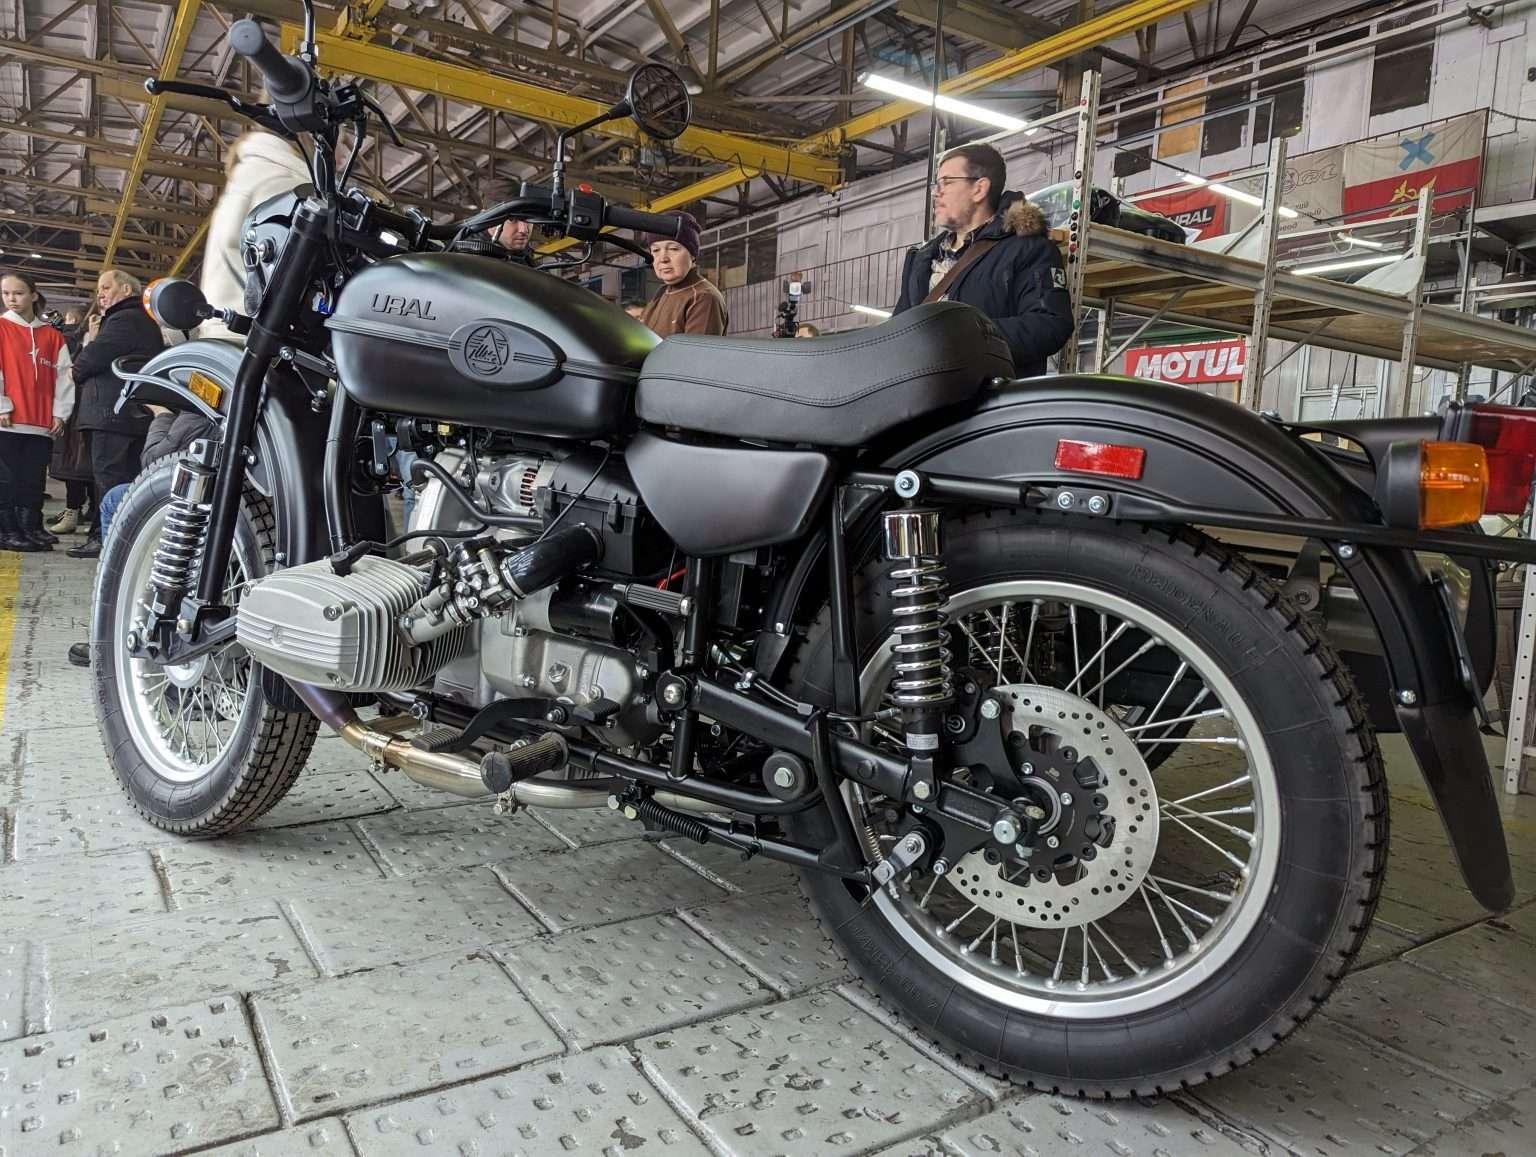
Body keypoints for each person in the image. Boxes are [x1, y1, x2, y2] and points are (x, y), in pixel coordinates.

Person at [893, 143, 1074, 377]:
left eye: (947, 182)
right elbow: (895, 334)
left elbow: (1050, 324)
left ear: (979, 189)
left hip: (990, 396)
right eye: (936, 184)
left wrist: (964, 336)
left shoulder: (1028, 249)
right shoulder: (921, 259)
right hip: (923, 396)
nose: (936, 193)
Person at [66, 408, 215, 667]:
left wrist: (162, 415)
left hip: (207, 501)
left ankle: (115, 627)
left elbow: (155, 461)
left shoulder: (201, 410)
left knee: (115, 499)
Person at [69, 269, 163, 559]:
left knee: (109, 481)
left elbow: (86, 363)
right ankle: (120, 539)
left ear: (126, 289)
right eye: (99, 289)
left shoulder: (124, 319)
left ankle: (106, 540)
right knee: (127, 479)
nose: (101, 294)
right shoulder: (144, 321)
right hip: (132, 414)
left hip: (112, 415)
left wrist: (87, 346)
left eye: (106, 287)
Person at [200, 128, 312, 338]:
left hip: (227, 326)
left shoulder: (249, 173)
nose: (341, 155)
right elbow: (290, 263)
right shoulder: (281, 177)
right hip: (253, 333)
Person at [0, 271, 74, 551]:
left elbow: (64, 377)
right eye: (6, 293)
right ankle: (7, 530)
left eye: (18, 293)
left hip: (41, 422)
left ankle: (30, 526)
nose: (11, 299)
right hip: (8, 421)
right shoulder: (2, 327)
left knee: (33, 479)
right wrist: (2, 405)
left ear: (33, 295)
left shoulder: (52, 336)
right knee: (7, 479)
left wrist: (60, 413)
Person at [638, 211, 728, 337]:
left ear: (692, 254)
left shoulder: (703, 297)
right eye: (656, 250)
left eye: (673, 249)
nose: (663, 259)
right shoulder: (661, 293)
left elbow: (695, 349)